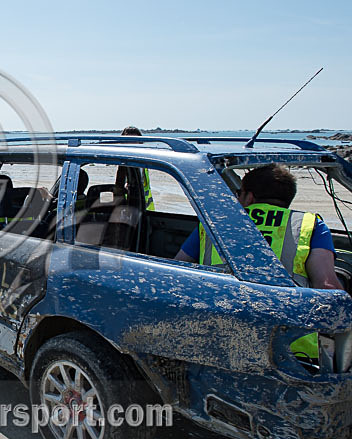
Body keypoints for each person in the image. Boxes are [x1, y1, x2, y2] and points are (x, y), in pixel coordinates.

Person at [174, 163, 342, 362]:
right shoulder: (309, 225)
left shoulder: (214, 224)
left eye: (239, 193)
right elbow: (326, 286)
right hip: (291, 351)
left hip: (218, 338)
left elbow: (178, 271)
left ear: (249, 196)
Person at [120, 126, 155, 211]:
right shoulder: (122, 161)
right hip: (128, 206)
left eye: (134, 140)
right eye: (128, 141)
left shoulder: (143, 160)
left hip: (146, 208)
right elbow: (119, 185)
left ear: (140, 142)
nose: (132, 144)